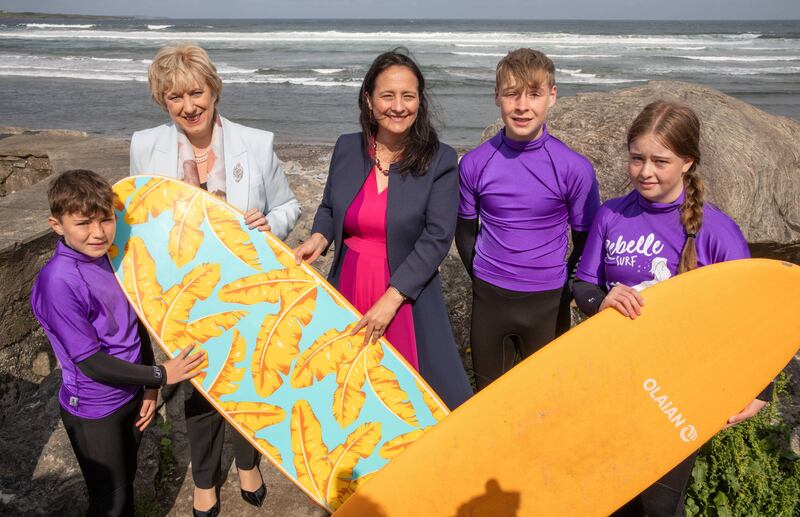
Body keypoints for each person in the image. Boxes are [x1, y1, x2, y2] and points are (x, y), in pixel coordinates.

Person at [572, 101, 772, 517]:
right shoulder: (611, 215)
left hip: (679, 391)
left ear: (687, 162)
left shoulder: (717, 231)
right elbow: (583, 283)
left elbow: (754, 315)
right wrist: (601, 300)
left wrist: (761, 388)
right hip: (616, 381)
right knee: (613, 497)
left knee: (660, 504)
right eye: (637, 158)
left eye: (660, 161)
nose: (646, 171)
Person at [129, 44, 301, 516]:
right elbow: (137, 222)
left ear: (214, 88)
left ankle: (248, 463)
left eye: (196, 92)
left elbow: (289, 205)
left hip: (247, 286)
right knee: (200, 386)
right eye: (174, 97)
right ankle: (205, 480)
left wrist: (272, 225)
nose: (188, 106)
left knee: (251, 379)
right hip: (187, 295)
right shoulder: (145, 146)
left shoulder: (257, 142)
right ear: (163, 101)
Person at [293, 49, 472, 410]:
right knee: (344, 394)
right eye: (387, 95)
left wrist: (391, 300)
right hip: (347, 285)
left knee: (408, 401)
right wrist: (319, 237)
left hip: (405, 294)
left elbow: (437, 237)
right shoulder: (347, 147)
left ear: (419, 101)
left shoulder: (440, 159)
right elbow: (330, 206)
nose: (398, 106)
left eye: (408, 96)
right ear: (369, 99)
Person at [30, 169, 204, 517]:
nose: (98, 233)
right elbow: (91, 362)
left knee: (127, 489)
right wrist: (160, 375)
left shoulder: (112, 256)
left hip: (132, 395)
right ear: (56, 224)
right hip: (95, 409)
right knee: (111, 501)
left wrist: (150, 391)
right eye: (83, 223)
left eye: (106, 220)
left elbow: (134, 324)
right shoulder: (59, 282)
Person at [456, 48, 600, 391]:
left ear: (552, 96)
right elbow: (464, 234)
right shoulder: (475, 163)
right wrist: (482, 278)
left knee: (546, 400)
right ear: (497, 97)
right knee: (490, 399)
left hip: (548, 302)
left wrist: (563, 286)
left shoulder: (573, 168)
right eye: (511, 94)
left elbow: (586, 240)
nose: (522, 106)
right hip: (490, 299)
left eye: (534, 94)